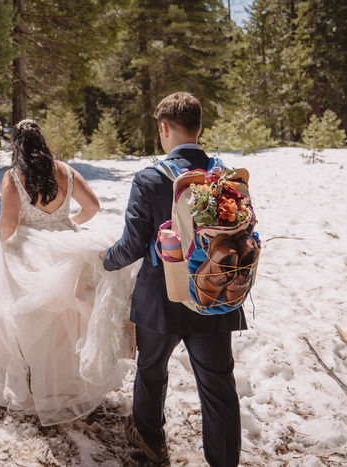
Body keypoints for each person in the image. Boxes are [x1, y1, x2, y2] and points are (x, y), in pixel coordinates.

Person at [0, 119, 138, 425]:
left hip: (28, 248)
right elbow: (93, 207)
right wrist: (68, 223)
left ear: (17, 147)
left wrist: (0, 242)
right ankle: (71, 382)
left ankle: (30, 383)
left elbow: (9, 225)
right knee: (70, 317)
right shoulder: (65, 170)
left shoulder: (13, 177)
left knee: (26, 317)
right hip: (66, 246)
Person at [104, 92, 244, 466]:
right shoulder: (223, 177)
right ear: (199, 129)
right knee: (218, 386)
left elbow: (132, 246)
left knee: (151, 371)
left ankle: (150, 441)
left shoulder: (149, 178)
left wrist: (104, 260)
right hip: (213, 290)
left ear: (164, 128)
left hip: (161, 297)